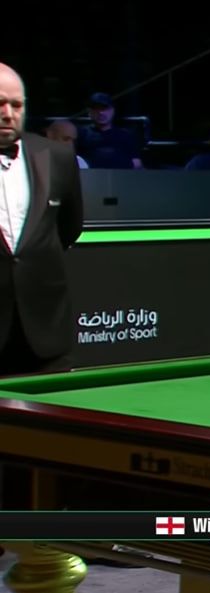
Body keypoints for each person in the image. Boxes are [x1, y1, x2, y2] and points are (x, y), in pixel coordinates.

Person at [0, 63, 84, 376]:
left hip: (46, 337)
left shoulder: (56, 156)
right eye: (0, 104)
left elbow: (68, 228)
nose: (8, 114)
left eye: (17, 105)